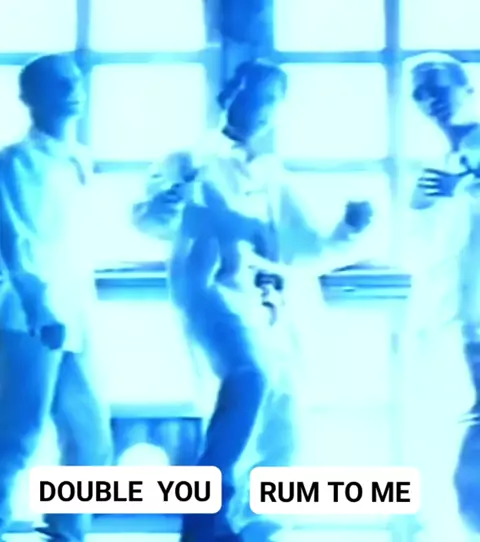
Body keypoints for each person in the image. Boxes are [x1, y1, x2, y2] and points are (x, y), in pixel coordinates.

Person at [133, 59, 375, 542]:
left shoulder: (273, 174)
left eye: (271, 101)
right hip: (213, 295)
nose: (261, 109)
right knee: (248, 377)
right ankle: (205, 510)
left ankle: (260, 528)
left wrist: (351, 228)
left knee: (281, 416)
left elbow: (307, 250)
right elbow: (150, 220)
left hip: (272, 308)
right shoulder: (186, 161)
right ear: (229, 96)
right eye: (253, 95)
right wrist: (167, 206)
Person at [0, 53, 111, 541]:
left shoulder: (81, 159)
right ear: (29, 98)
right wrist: (39, 305)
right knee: (18, 436)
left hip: (77, 313)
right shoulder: (15, 162)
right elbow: (16, 241)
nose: (73, 91)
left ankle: (68, 531)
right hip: (31, 318)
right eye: (59, 84)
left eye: (76, 81)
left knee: (91, 437)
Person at [404, 52, 480, 540]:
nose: (430, 100)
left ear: (467, 87)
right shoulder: (438, 168)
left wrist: (467, 188)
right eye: (420, 94)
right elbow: (431, 252)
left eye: (439, 87)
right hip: (464, 319)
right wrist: (422, 210)